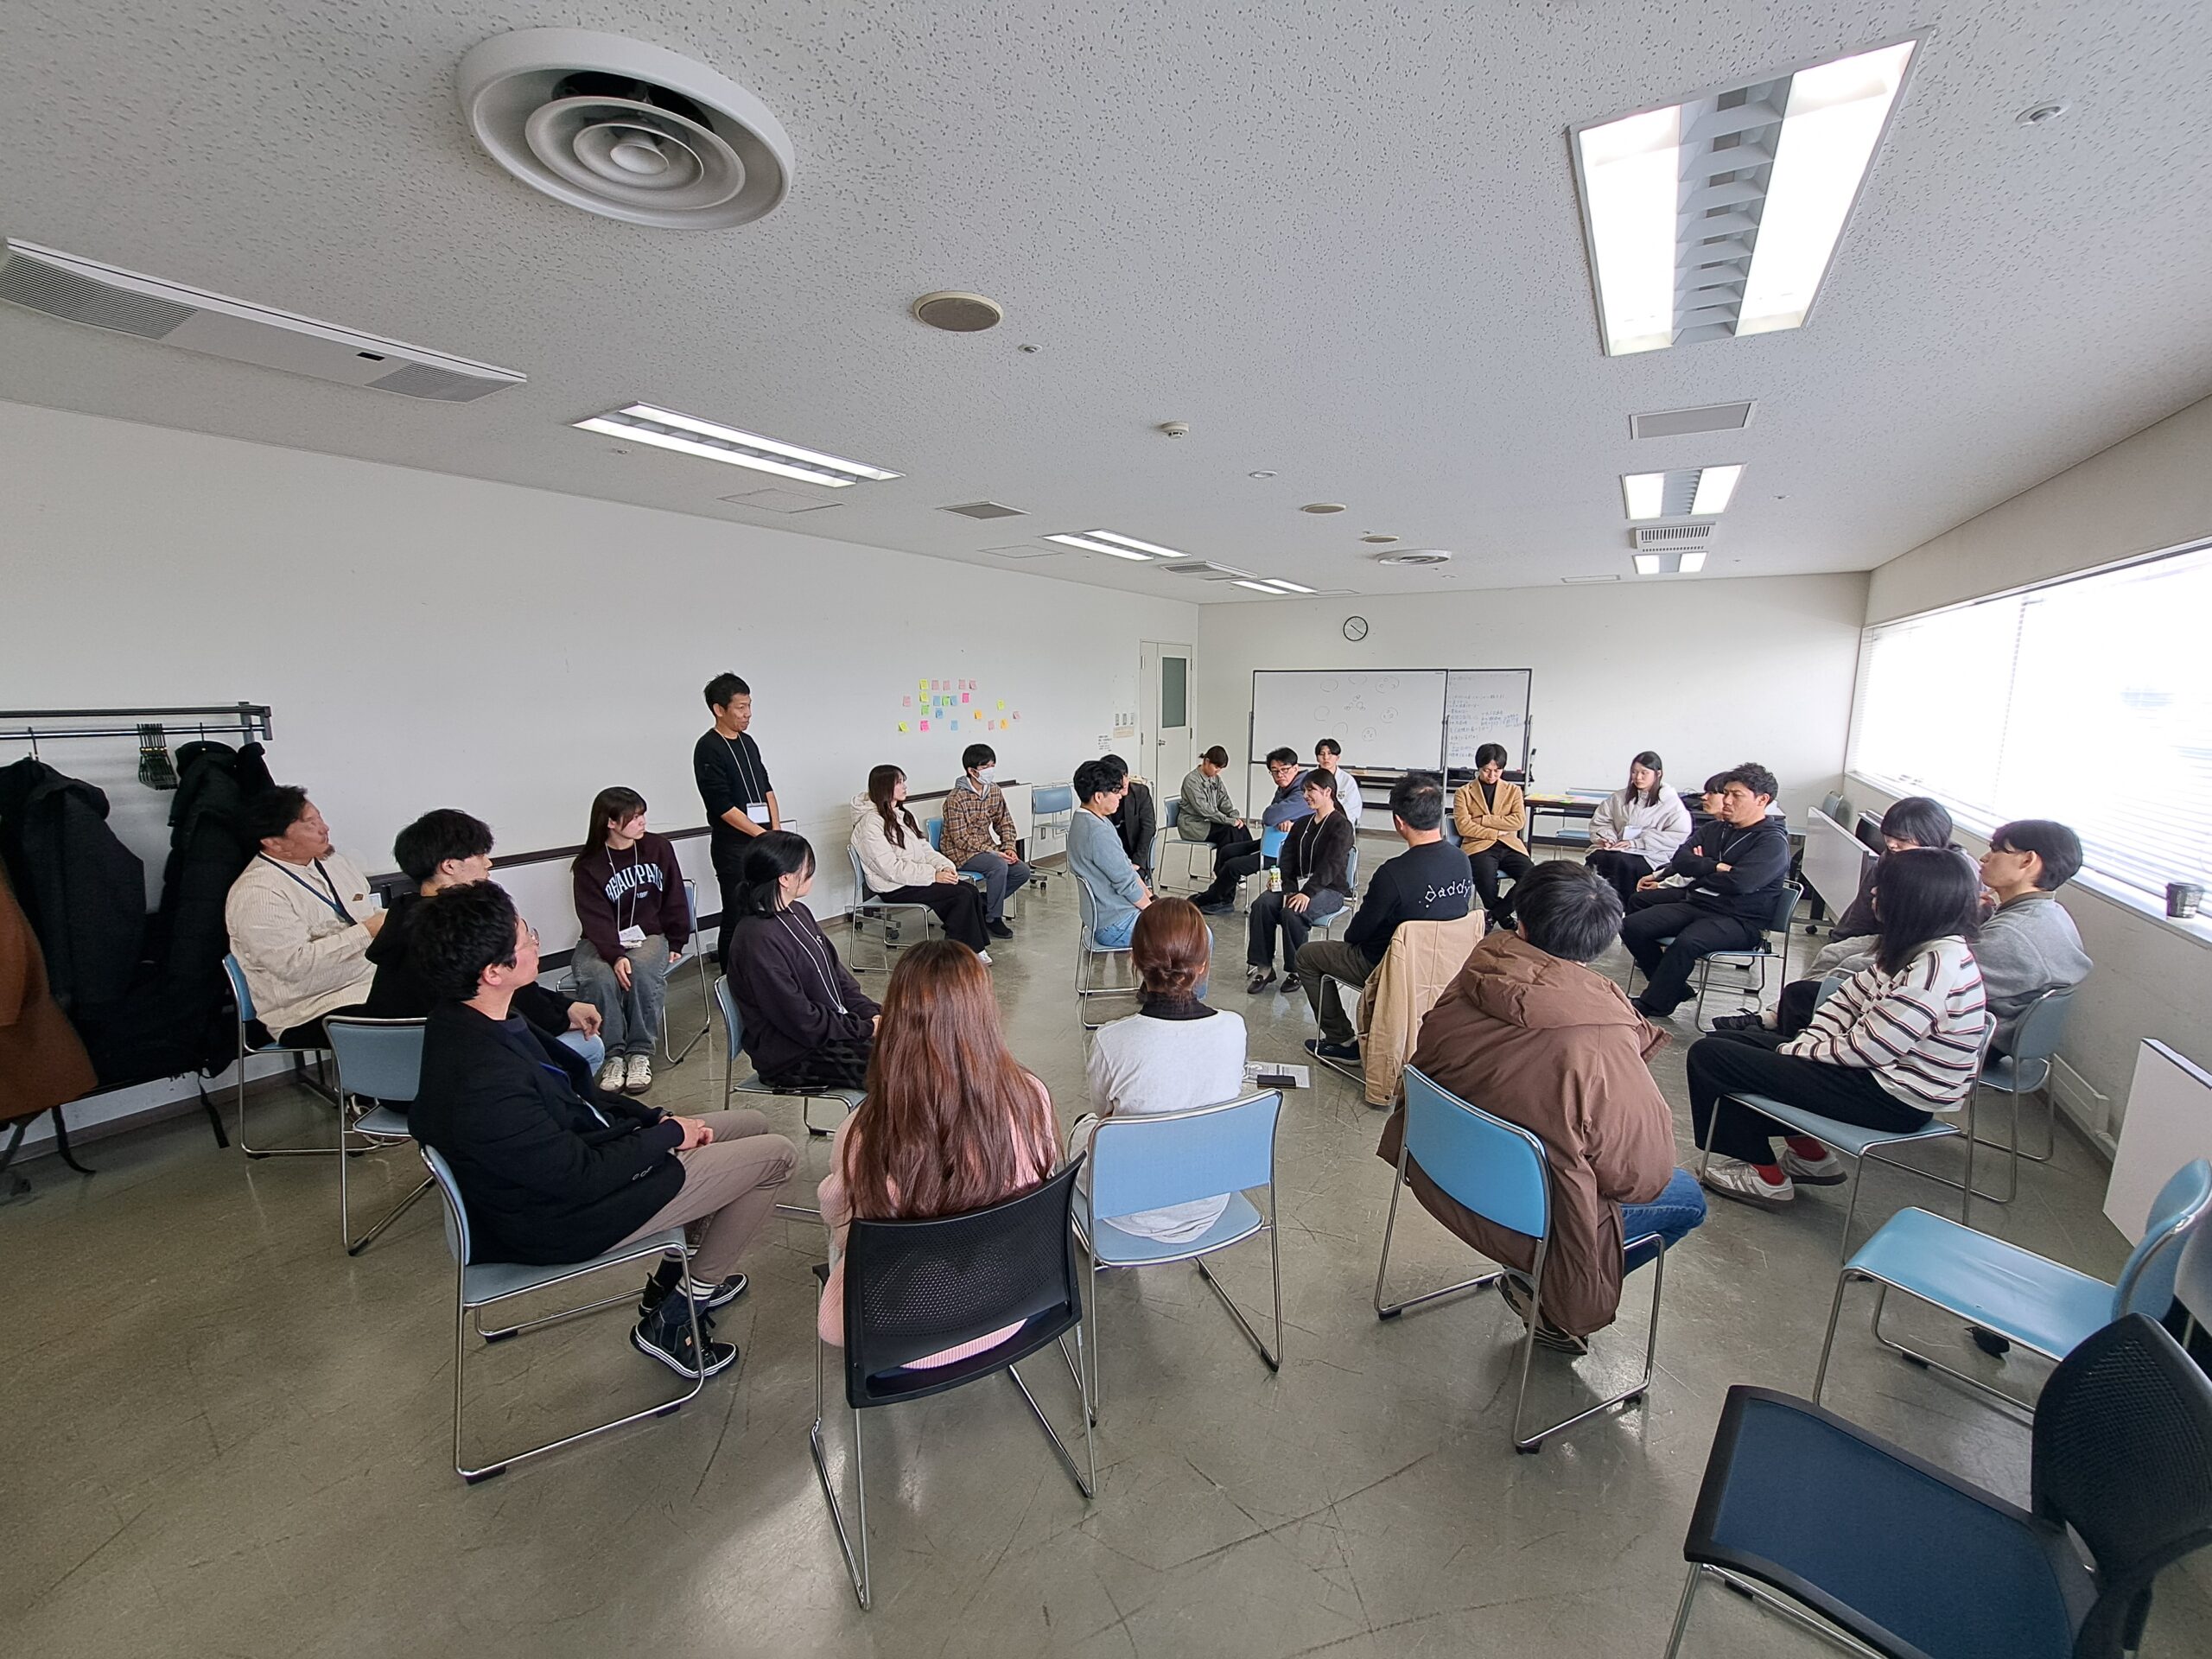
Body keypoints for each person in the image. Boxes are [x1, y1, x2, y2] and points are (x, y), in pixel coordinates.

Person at [408, 880, 795, 1380]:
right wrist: (667, 1138)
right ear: (493, 972)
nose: (536, 943)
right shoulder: (482, 1076)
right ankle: (678, 1314)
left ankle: (672, 1280)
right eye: (527, 938)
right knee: (777, 1155)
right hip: (565, 1217)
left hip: (588, 1161)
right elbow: (578, 1176)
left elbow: (582, 1097)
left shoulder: (482, 1017)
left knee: (751, 1124)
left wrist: (654, 1120)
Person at [1379, 861, 1704, 1352]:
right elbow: (1641, 1178)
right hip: (1531, 1217)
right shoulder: (1600, 1036)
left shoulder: (1477, 973)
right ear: (1601, 946)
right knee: (1688, 1198)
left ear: (1523, 924)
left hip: (1437, 1171)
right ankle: (1548, 1303)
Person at [1687, 847, 1988, 1208]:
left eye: (1884, 887)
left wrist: (1795, 1050)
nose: (1873, 893)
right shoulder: (1918, 948)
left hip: (1893, 1099)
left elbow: (1870, 1048)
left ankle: (1766, 1177)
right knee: (1730, 1042)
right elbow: (1849, 996)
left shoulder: (1935, 969)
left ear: (1916, 900)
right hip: (1876, 1076)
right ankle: (1809, 1156)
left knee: (1711, 1057)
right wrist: (1808, 1041)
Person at [817, 941, 1057, 1367]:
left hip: (903, 1335)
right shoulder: (1031, 1098)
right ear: (985, 1014)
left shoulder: (865, 1131)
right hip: (1015, 1301)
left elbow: (840, 1221)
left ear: (897, 1023)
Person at [365, 808, 604, 1074]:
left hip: (388, 1069)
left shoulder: (403, 916)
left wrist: (565, 1006)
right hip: (459, 1064)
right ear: (449, 866)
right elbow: (506, 1000)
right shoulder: (461, 925)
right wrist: (561, 1016)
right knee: (589, 1046)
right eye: (479, 855)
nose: (488, 863)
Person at [1713, 795, 1973, 1039]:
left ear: (1930, 836)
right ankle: (1782, 1013)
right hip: (1887, 936)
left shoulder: (1957, 868)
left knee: (1850, 965)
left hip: (1922, 944)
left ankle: (1784, 1021)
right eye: (1889, 837)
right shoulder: (1889, 859)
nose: (1892, 844)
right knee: (1833, 953)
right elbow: (1862, 908)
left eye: (1902, 839)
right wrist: (1842, 938)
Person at [1071, 898, 1248, 1241]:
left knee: (1084, 1126)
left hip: (1128, 1209)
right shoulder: (1233, 1027)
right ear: (1203, 964)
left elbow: (1105, 1116)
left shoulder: (1111, 1040)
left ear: (1134, 960)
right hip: (1209, 1199)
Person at [1296, 772, 1473, 1059]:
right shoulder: (1462, 861)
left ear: (1399, 822)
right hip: (1444, 966)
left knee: (1307, 955)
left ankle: (1342, 1040)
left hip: (1390, 967)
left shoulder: (1393, 874)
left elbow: (1355, 934)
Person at [1621, 762, 1793, 1020]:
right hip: (1698, 905)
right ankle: (1673, 989)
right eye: (1727, 793)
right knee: (1631, 926)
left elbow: (1741, 883)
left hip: (1741, 920)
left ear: (1762, 800)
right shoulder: (1715, 828)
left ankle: (1655, 1003)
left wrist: (1701, 869)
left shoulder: (1772, 841)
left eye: (1737, 795)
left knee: (1688, 942)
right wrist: (1716, 867)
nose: (1727, 800)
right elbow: (1681, 860)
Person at [720, 831, 880, 1091]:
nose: (812, 874)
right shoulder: (756, 940)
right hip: (792, 1057)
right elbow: (800, 1019)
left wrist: (873, 1015)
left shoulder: (798, 912)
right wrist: (864, 1028)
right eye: (807, 868)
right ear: (784, 878)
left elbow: (838, 977)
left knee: (918, 1037)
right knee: (904, 1067)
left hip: (830, 1032)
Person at [224, 785, 383, 1046]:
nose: (325, 828)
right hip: (310, 1009)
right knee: (418, 1015)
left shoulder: (333, 862)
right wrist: (367, 932)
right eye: (310, 824)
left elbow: (368, 914)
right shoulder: (258, 893)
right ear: (273, 842)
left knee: (444, 991)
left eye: (319, 818)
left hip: (369, 983)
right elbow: (294, 965)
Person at [571, 787, 690, 1096]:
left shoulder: (658, 848)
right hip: (600, 939)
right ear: (611, 822)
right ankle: (612, 1055)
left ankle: (639, 1052)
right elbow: (594, 918)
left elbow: (675, 895)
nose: (642, 822)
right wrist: (614, 955)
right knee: (598, 976)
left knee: (640, 970)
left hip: (648, 934)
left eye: (642, 814)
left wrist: (677, 940)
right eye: (634, 817)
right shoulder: (588, 865)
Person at [1974, 819, 2092, 1055]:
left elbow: (1941, 980)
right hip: (2007, 1034)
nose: (1984, 858)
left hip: (1980, 1041)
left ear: (2028, 860)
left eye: (1996, 850)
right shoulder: (2052, 912)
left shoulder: (2014, 933)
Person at [849, 765, 992, 957]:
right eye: (899, 783)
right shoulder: (870, 824)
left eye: (904, 781)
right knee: (960, 896)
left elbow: (925, 850)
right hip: (894, 886)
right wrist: (933, 876)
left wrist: (944, 867)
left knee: (971, 891)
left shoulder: (902, 815)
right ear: (884, 787)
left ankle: (971, 948)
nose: (905, 786)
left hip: (913, 878)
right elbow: (890, 869)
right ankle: (963, 954)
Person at [693, 673, 779, 961]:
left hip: (762, 840)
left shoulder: (748, 742)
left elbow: (767, 788)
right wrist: (762, 835)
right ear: (719, 709)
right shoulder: (708, 747)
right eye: (741, 707)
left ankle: (761, 966)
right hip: (733, 846)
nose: (748, 713)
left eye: (749, 705)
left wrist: (775, 832)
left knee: (766, 906)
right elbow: (721, 805)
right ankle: (730, 976)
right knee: (737, 912)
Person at [1247, 769, 1354, 994]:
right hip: (1297, 886)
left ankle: (1298, 970)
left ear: (1328, 792)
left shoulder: (1341, 826)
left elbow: (1332, 866)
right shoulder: (1302, 823)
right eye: (1304, 790)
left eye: (1311, 790)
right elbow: (1287, 859)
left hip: (1329, 890)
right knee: (1262, 905)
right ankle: (1264, 967)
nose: (1306, 795)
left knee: (1293, 912)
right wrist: (1287, 887)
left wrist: (1306, 893)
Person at [1194, 747, 1306, 911]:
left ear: (1296, 768)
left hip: (1286, 851)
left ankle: (1214, 898)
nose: (1280, 775)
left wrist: (1289, 820)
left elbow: (1269, 816)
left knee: (1233, 865)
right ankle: (1221, 898)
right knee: (1228, 851)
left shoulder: (1303, 790)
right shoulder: (1285, 788)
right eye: (1275, 771)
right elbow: (1272, 816)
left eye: (1284, 770)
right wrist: (1287, 818)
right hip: (1273, 841)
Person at [940, 743, 1030, 940]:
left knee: (1021, 871)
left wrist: (1009, 847)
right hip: (959, 852)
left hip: (986, 849)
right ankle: (993, 918)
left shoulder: (994, 790)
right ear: (971, 771)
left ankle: (982, 904)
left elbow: (1004, 822)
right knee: (998, 866)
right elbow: (960, 838)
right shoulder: (956, 798)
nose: (990, 771)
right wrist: (994, 852)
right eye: (985, 767)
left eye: (992, 766)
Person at [1584, 752, 1692, 904]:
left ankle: (1622, 906)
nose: (1638, 777)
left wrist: (1637, 843)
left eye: (1644, 773)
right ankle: (1590, 904)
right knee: (1598, 857)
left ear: (1658, 774)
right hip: (1618, 848)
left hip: (1652, 854)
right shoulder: (1619, 797)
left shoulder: (1671, 803)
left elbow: (1678, 835)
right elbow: (1602, 821)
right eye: (1634, 772)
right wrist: (1608, 838)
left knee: (1622, 862)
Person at [1067, 758, 1152, 948]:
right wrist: (1152, 911)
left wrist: (1151, 897)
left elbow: (1126, 869)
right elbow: (1126, 883)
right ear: (1099, 797)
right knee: (1198, 936)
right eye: (1114, 792)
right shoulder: (1097, 832)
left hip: (1108, 914)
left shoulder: (1090, 820)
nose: (1120, 796)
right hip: (1115, 923)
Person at [1452, 743, 1535, 931]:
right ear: (1478, 768)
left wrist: (1483, 820)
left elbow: (1518, 822)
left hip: (1509, 844)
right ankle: (1502, 915)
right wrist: (1496, 831)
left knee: (1532, 876)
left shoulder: (1513, 791)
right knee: (1485, 879)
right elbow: (1464, 827)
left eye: (1497, 771)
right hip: (1478, 845)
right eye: (1486, 770)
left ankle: (1493, 916)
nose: (1491, 776)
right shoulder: (1463, 793)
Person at [1178, 745, 1260, 891]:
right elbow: (1205, 810)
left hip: (1210, 822)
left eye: (1220, 769)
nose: (1218, 771)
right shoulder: (1191, 781)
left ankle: (1238, 867)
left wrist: (1234, 816)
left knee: (1240, 828)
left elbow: (1224, 801)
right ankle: (1222, 872)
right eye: (1216, 767)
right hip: (1193, 825)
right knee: (1228, 831)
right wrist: (1229, 821)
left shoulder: (1216, 779)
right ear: (1206, 761)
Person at [1102, 754, 1158, 887]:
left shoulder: (1140, 793)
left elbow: (1148, 828)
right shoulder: (1100, 800)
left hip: (1135, 855)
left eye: (1126, 775)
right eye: (1118, 779)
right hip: (1111, 859)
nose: (1124, 782)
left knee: (1134, 884)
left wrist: (1137, 862)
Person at [1312, 738, 1364, 821]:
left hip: (1340, 823)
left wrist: (1335, 821)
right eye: (1322, 754)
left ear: (1337, 757)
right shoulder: (1310, 779)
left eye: (1330, 754)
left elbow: (1354, 808)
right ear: (1317, 758)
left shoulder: (1347, 780)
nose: (1326, 757)